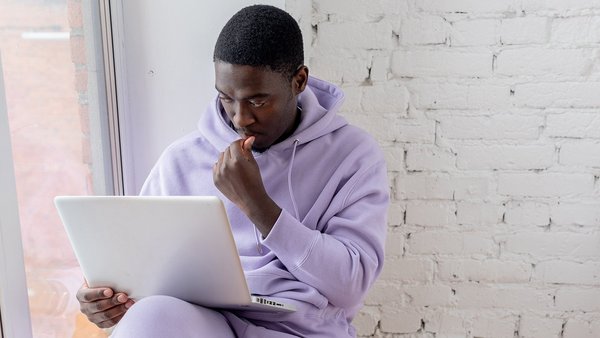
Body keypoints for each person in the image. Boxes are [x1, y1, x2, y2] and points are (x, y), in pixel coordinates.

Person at [76, 4, 389, 337]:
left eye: (257, 100)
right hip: (204, 320)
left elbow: (351, 286)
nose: (240, 118)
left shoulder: (352, 155)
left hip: (301, 328)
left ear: (299, 81)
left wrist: (258, 205)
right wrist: (106, 300)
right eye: (227, 97)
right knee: (148, 317)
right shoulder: (183, 158)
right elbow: (136, 264)